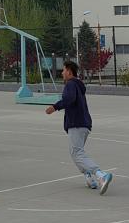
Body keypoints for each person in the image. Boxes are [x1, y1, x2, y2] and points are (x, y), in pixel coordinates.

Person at [45, 60, 112, 193]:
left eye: (63, 70)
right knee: (76, 152)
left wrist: (55, 107)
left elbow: (69, 99)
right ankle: (89, 177)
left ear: (69, 71)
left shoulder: (70, 84)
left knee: (77, 153)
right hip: (84, 124)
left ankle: (101, 175)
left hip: (76, 124)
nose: (62, 73)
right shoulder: (77, 85)